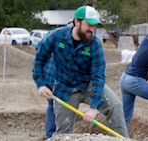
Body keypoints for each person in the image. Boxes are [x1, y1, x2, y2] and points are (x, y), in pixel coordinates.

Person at [32, 5, 129, 138]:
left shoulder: (94, 44)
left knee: (115, 106)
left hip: (87, 85)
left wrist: (94, 107)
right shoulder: (56, 36)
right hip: (64, 89)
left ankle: (123, 139)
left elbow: (98, 76)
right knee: (62, 134)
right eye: (89, 25)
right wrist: (41, 84)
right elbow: (39, 60)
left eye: (94, 26)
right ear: (77, 22)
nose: (92, 29)